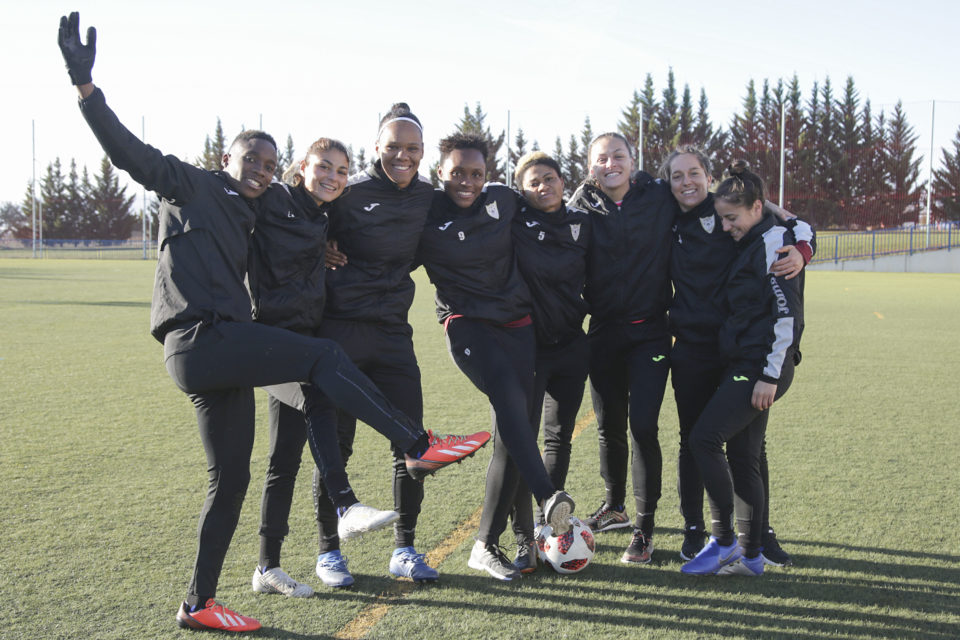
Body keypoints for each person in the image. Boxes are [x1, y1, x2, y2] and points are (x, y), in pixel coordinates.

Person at [58, 14, 481, 633]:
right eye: (249, 158)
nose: (258, 167)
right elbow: (128, 152)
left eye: (268, 161)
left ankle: (198, 604)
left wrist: (326, 250)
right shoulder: (190, 185)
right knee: (321, 360)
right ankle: (415, 446)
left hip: (228, 348)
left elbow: (308, 224)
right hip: (198, 338)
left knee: (230, 479)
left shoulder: (263, 210)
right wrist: (85, 87)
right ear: (225, 157)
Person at [306, 104, 491, 588]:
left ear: (424, 153)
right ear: (377, 148)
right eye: (394, 147)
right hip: (340, 332)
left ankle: (405, 550)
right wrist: (318, 249)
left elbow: (473, 198)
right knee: (338, 446)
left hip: (393, 333)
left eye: (412, 148)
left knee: (412, 445)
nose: (402, 156)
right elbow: (301, 214)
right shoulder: (349, 193)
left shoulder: (430, 197)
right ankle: (329, 552)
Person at [416, 133, 575, 581]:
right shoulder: (423, 211)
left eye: (476, 173)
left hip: (517, 326)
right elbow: (381, 244)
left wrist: (790, 226)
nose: (467, 181)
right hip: (467, 323)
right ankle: (548, 497)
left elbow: (554, 201)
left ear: (488, 176)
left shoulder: (504, 200)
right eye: (457, 173)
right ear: (440, 172)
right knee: (508, 401)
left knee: (515, 432)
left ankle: (490, 544)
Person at [662, 145, 813, 565]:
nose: (686, 182)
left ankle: (751, 538)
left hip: (748, 358)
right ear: (668, 183)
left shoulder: (755, 225)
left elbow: (794, 228)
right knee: (695, 442)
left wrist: (803, 249)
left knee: (743, 448)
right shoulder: (665, 212)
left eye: (694, 173)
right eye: (677, 176)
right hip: (698, 349)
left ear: (708, 178)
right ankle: (702, 533)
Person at [568, 132, 675, 564]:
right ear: (590, 166)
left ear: (633, 161)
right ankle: (614, 507)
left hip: (650, 333)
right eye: (601, 158)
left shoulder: (660, 197)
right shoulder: (580, 204)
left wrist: (801, 240)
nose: (610, 164)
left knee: (643, 428)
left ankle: (644, 530)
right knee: (609, 426)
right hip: (605, 332)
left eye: (618, 156)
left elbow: (723, 202)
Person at [507, 152, 591, 573]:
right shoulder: (513, 221)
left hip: (573, 346)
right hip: (528, 349)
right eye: (534, 181)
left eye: (551, 178)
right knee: (523, 444)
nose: (545, 186)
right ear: (521, 190)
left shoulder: (582, 222)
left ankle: (549, 524)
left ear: (563, 180)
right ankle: (523, 538)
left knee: (559, 438)